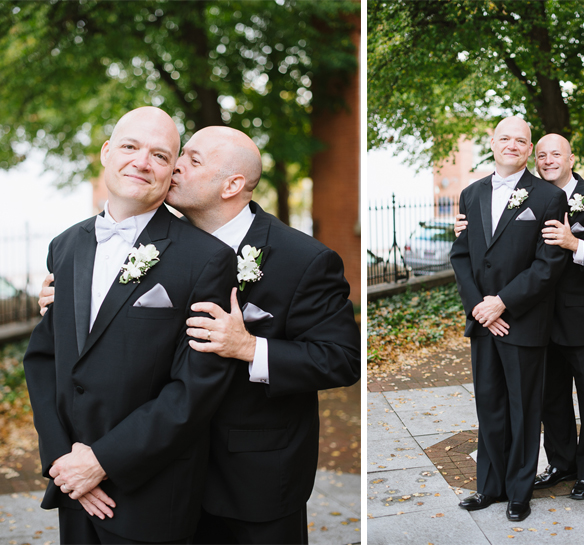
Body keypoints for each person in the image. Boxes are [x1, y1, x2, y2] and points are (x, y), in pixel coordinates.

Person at [40, 125, 361, 544]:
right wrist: (66, 300)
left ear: (232, 184)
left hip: (249, 481)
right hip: (158, 477)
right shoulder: (154, 243)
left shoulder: (304, 259)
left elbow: (341, 358)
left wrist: (249, 348)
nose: (174, 167)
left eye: (191, 160)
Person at [24, 107, 239, 544]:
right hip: (73, 489)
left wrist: (101, 461)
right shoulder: (64, 246)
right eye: (130, 146)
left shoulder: (207, 259)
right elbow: (44, 359)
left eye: (160, 156)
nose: (142, 162)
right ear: (106, 152)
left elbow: (195, 390)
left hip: (151, 496)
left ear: (171, 171)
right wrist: (63, 461)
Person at [455, 133, 584, 501]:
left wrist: (575, 244)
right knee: (550, 400)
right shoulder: (528, 197)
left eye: (556, 154)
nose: (548, 159)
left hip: (579, 320)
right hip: (533, 319)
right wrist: (469, 232)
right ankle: (561, 463)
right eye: (542, 154)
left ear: (571, 158)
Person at [450, 117, 568, 522]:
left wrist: (502, 303)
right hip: (484, 324)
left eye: (521, 140)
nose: (512, 145)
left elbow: (548, 264)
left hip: (523, 322)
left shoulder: (548, 197)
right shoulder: (470, 194)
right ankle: (490, 487)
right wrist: (481, 309)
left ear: (529, 147)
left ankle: (519, 492)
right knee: (490, 408)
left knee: (523, 410)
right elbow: (461, 256)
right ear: (493, 142)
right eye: (505, 138)